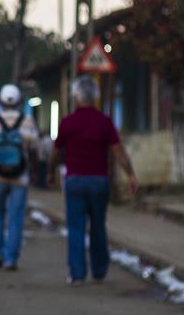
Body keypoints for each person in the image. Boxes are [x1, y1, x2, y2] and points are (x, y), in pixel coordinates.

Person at [49, 75, 140, 285]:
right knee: (98, 226)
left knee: (76, 228)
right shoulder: (104, 122)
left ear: (75, 96)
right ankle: (99, 270)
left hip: (75, 182)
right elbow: (119, 152)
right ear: (95, 97)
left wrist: (49, 172)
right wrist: (131, 175)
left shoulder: (67, 123)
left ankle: (78, 274)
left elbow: (55, 152)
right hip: (99, 182)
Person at [0, 84, 40, 270]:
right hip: (20, 177)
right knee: (16, 217)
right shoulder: (28, 120)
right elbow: (34, 150)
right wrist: (35, 171)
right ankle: (11, 259)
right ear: (19, 101)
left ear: (1, 101)